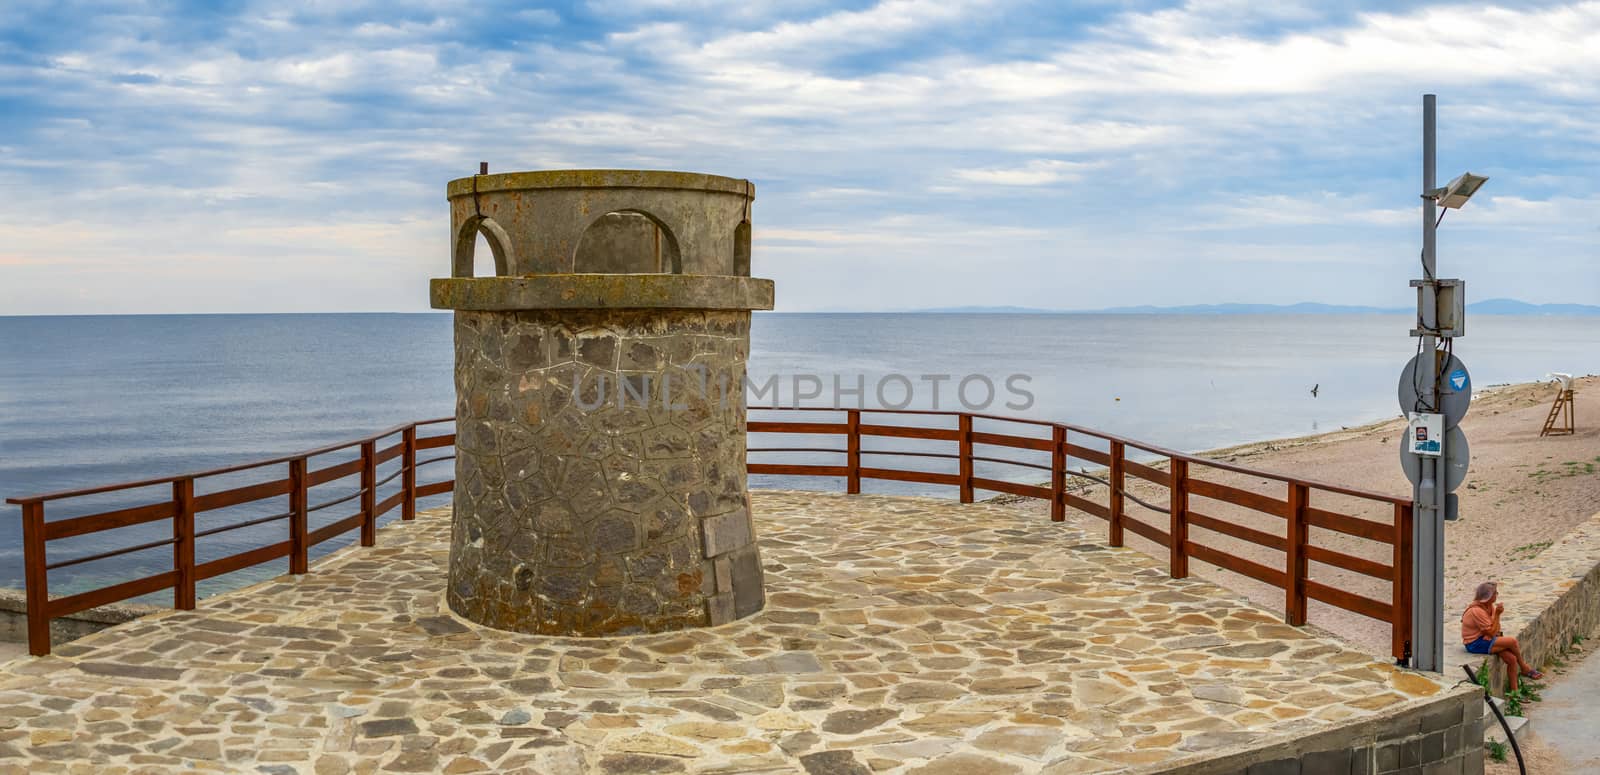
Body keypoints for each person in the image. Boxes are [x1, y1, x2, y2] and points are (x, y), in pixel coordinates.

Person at [1462, 581, 1543, 691]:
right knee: (1512, 642)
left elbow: (1495, 629)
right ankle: (1524, 667)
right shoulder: (1476, 610)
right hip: (1474, 643)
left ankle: (1515, 692)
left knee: (1511, 659)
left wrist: (1492, 631)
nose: (1497, 595)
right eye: (1495, 593)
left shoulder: (1489, 607)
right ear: (1488, 596)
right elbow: (1491, 631)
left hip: (1486, 639)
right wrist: (1497, 616)